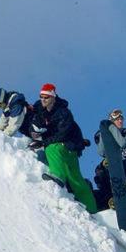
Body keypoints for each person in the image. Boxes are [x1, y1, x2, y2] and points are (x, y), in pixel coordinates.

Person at [31, 83, 97, 213]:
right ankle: (91, 209)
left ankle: (58, 176)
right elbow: (34, 121)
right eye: (41, 97)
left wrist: (43, 142)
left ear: (53, 97)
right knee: (75, 179)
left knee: (51, 148)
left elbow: (62, 134)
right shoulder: (41, 109)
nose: (43, 100)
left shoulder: (63, 112)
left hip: (70, 145)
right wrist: (35, 131)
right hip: (64, 146)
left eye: (46, 97)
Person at [95, 109, 126, 199]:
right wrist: (104, 132)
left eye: (121, 119)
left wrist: (112, 128)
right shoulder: (109, 137)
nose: (120, 121)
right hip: (121, 178)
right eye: (117, 119)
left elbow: (123, 143)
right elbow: (101, 152)